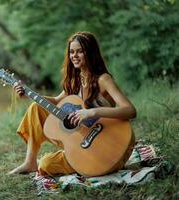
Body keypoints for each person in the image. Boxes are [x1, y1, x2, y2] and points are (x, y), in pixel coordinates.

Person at [9, 31, 136, 176]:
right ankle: (30, 162)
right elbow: (57, 101)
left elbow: (130, 110)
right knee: (36, 108)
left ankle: (80, 158)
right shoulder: (75, 80)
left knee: (45, 164)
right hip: (82, 141)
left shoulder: (103, 79)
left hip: (106, 146)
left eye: (80, 51)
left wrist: (92, 112)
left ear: (90, 53)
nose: (74, 56)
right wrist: (28, 93)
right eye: (71, 52)